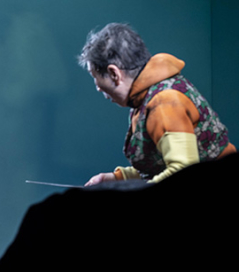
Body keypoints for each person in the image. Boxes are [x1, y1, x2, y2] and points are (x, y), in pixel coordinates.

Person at [78, 23, 236, 186]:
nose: (98, 88)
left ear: (114, 74)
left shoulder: (164, 103)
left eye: (95, 77)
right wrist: (116, 179)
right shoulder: (146, 98)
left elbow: (181, 170)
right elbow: (161, 165)